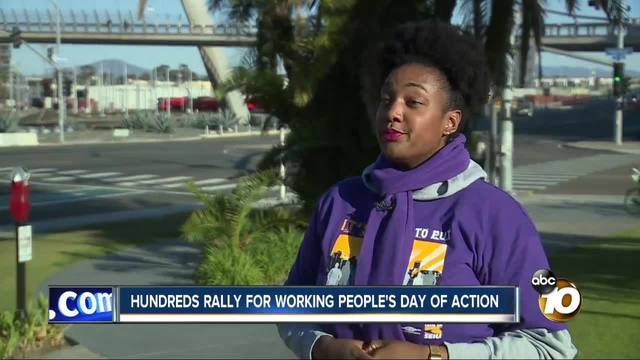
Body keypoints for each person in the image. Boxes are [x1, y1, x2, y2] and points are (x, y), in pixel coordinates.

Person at [277, 20, 577, 359]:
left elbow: (551, 346)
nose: (392, 112)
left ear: (450, 121)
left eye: (413, 102)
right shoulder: (338, 203)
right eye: (386, 99)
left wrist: (434, 355)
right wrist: (321, 346)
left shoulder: (496, 216)